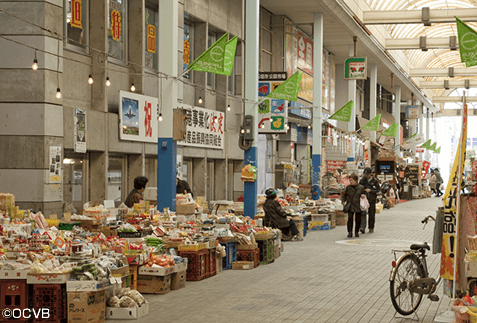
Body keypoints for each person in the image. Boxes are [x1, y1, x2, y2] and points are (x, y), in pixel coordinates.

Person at [342, 173, 365, 238]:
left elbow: (365, 195)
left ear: (356, 180)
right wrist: (343, 201)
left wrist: (363, 196)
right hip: (350, 205)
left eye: (351, 180)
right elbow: (345, 195)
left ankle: (356, 232)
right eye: (350, 180)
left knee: (358, 219)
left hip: (358, 205)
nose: (350, 182)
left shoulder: (361, 187)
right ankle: (350, 232)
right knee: (350, 219)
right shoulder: (348, 187)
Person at [359, 167, 380, 234]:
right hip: (364, 199)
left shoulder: (375, 180)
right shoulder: (362, 180)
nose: (366, 175)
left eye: (367, 174)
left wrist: (371, 191)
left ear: (371, 173)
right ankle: (362, 227)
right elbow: (359, 188)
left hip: (372, 199)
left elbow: (378, 190)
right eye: (365, 174)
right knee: (363, 213)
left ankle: (371, 227)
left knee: (371, 213)